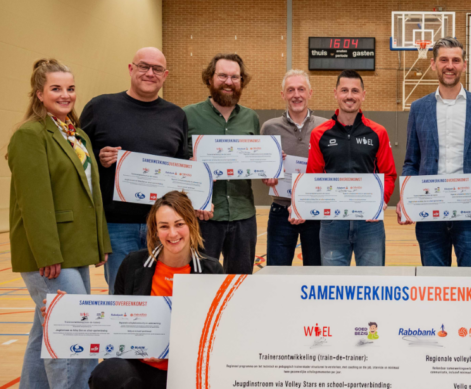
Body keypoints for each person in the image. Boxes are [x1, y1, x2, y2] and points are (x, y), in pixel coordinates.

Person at [7, 59, 108, 389]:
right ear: (39, 93)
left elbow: (90, 196)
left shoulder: (76, 135)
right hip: (49, 256)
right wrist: (47, 253)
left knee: (46, 332)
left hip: (75, 249)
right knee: (73, 332)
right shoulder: (29, 136)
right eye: (56, 89)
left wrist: (98, 243)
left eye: (70, 88)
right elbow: (34, 202)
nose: (65, 95)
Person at [87, 191, 224, 389]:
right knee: (104, 377)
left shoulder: (212, 271)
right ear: (154, 229)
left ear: (192, 224)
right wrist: (66, 315)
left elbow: (218, 336)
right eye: (164, 226)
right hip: (143, 368)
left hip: (183, 373)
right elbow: (115, 321)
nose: (172, 233)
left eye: (179, 224)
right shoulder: (133, 265)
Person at [79, 48, 191, 292]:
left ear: (165, 75)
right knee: (123, 295)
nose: (150, 73)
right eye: (143, 66)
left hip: (163, 226)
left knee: (164, 292)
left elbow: (182, 164)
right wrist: (99, 158)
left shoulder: (176, 115)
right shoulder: (100, 107)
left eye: (157, 69)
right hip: (117, 225)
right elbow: (76, 157)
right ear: (131, 69)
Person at [399, 37, 471, 267]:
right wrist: (406, 197)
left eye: (456, 60)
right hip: (430, 211)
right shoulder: (418, 108)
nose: (450, 66)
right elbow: (411, 162)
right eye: (444, 60)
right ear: (433, 64)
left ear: (464, 65)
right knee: (434, 282)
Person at [298, 70, 397, 266]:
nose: (349, 96)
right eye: (344, 90)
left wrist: (381, 200)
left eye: (355, 91)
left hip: (370, 222)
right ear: (335, 93)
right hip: (332, 223)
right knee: (333, 281)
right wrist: (302, 204)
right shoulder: (319, 134)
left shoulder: (378, 132)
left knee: (372, 280)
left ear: (363, 95)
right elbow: (313, 177)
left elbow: (389, 174)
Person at [184, 53, 261, 273]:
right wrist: (190, 167)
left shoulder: (251, 118)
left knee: (240, 282)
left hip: (243, 215)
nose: (229, 82)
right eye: (222, 76)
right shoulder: (187, 115)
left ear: (242, 81)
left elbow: (257, 159)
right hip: (201, 216)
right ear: (209, 78)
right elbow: (175, 162)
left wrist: (272, 164)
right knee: (200, 280)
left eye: (235, 77)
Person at [262, 69, 327, 266]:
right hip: (281, 211)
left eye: (301, 89)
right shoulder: (269, 128)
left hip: (316, 211)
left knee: (316, 272)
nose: (296, 95)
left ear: (310, 93)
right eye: (290, 90)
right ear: (283, 95)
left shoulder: (326, 127)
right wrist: (268, 174)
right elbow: (262, 170)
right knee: (277, 272)